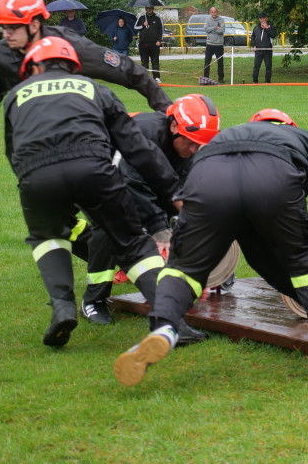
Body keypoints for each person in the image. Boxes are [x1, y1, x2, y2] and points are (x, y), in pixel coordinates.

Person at [113, 108, 308, 384]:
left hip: (208, 174)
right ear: (289, 126)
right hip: (273, 177)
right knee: (305, 263)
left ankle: (164, 327)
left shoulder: (231, 136)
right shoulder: (301, 138)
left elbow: (262, 260)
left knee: (183, 268)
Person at [3, 37, 180, 347]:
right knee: (133, 243)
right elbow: (138, 148)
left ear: (34, 67)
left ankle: (63, 306)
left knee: (47, 236)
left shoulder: (15, 96)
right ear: (75, 68)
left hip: (35, 173)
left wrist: (35, 186)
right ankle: (171, 320)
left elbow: (13, 152)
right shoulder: (96, 89)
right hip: (93, 168)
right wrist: (174, 190)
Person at [0, 0, 171, 159]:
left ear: (33, 24)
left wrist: (169, 111)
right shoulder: (1, 55)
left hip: (80, 139)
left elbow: (129, 70)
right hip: (29, 148)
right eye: (2, 27)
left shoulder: (70, 45)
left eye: (12, 27)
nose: (6, 34)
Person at [79, 94, 220, 345]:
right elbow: (130, 182)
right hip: (86, 168)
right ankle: (93, 300)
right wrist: (158, 228)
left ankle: (144, 277)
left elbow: (177, 191)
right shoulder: (144, 133)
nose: (194, 150)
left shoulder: (190, 146)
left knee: (149, 231)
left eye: (201, 145)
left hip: (123, 175)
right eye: (190, 143)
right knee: (110, 224)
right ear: (174, 126)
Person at [135, 6, 163, 82]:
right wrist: (143, 25)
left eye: (151, 8)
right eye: (148, 8)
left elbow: (161, 29)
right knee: (144, 62)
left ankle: (156, 77)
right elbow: (135, 27)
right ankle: (145, 77)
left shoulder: (158, 18)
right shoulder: (141, 17)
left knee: (155, 61)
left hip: (154, 44)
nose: (149, 9)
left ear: (153, 9)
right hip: (143, 44)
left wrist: (159, 40)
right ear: (145, 9)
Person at [250, 12, 277, 83]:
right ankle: (254, 81)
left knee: (268, 66)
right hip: (258, 50)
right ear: (259, 19)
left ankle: (267, 81)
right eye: (261, 18)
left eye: (264, 18)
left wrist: (267, 28)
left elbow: (273, 35)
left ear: (266, 18)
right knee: (256, 66)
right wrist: (254, 45)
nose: (262, 20)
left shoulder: (271, 27)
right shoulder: (256, 28)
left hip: (267, 50)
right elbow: (252, 37)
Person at [203, 7, 226, 83]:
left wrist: (212, 30)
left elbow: (222, 30)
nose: (214, 14)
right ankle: (206, 78)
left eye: (215, 12)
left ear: (217, 12)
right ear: (210, 12)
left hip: (219, 44)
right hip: (210, 44)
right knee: (207, 62)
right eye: (212, 12)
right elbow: (206, 29)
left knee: (220, 62)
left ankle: (221, 78)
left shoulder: (221, 20)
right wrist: (215, 28)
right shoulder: (207, 19)